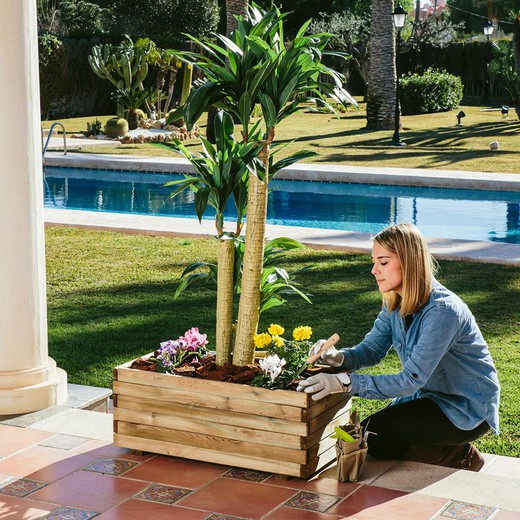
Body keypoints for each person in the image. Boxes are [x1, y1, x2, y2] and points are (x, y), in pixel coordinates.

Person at [297, 223, 500, 471]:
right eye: (374, 261)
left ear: (409, 261)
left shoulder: (443, 311)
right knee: (370, 436)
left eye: (383, 262)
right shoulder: (395, 302)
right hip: (429, 397)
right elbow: (371, 351)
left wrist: (347, 384)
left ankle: (460, 454)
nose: (374, 270)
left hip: (465, 408)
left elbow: (410, 380)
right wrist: (337, 358)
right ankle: (443, 448)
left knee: (370, 437)